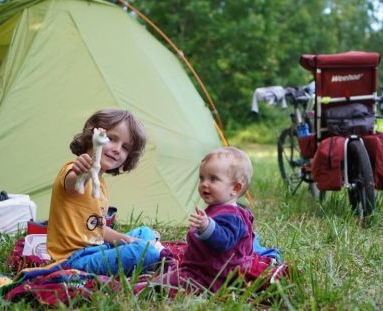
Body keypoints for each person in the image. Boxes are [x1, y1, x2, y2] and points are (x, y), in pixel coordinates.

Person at [46, 109, 163, 276]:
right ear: (92, 137)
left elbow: (97, 230)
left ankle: (150, 251)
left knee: (144, 232)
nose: (117, 149)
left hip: (96, 248)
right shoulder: (73, 169)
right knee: (146, 252)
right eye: (111, 139)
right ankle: (155, 255)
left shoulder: (100, 183)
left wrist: (128, 239)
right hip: (72, 260)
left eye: (125, 147)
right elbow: (72, 183)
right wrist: (82, 171)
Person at [155, 146, 255, 294]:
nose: (204, 184)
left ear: (235, 188)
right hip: (204, 271)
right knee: (166, 276)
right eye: (202, 178)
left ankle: (126, 288)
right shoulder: (222, 209)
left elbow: (223, 241)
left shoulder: (232, 216)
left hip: (211, 278)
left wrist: (207, 226)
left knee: (161, 285)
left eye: (213, 179)